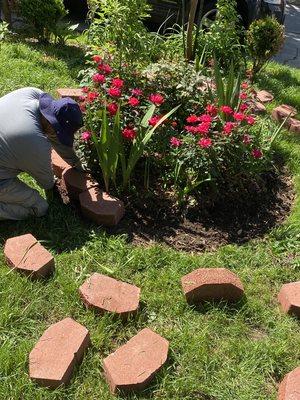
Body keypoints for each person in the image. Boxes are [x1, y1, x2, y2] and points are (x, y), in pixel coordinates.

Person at [0, 87, 84, 221]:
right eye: (58, 131)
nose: (57, 135)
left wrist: (76, 163)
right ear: (52, 123)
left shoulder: (32, 93)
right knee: (39, 207)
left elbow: (55, 138)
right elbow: (47, 183)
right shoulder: (33, 141)